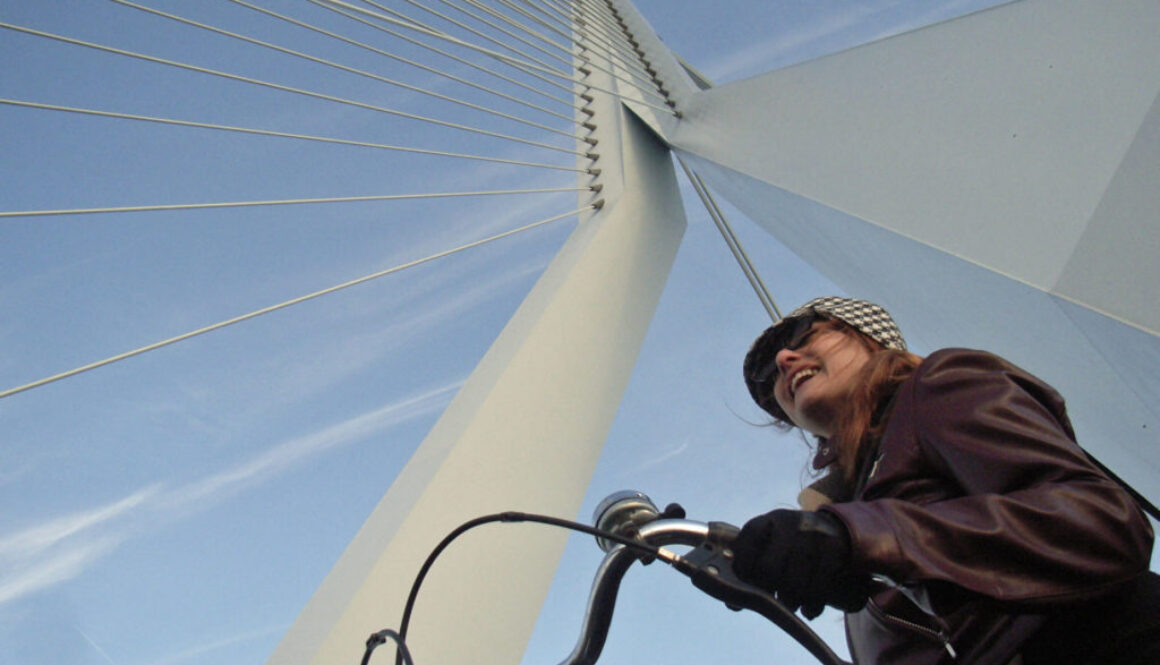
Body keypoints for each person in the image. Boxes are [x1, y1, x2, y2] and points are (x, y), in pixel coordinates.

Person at [732, 296, 1159, 665]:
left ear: (867, 336)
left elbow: (1102, 524)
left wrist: (859, 539)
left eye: (803, 335)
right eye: (769, 376)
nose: (783, 361)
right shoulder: (844, 507)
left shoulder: (935, 385)